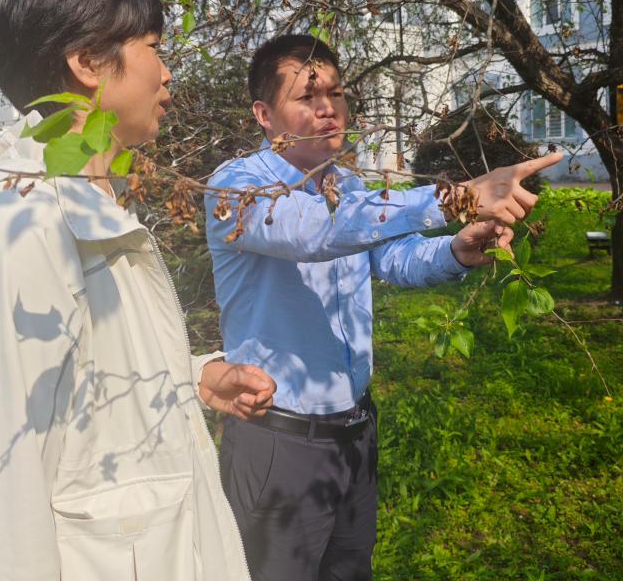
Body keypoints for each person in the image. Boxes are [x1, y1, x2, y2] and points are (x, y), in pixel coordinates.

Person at [0, 0, 275, 580]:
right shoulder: (17, 230)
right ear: (87, 63)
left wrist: (188, 379)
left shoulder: (85, 205)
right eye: (153, 47)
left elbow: (74, 389)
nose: (167, 73)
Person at [204, 34, 562, 581]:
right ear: (264, 115)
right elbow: (312, 232)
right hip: (280, 442)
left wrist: (456, 249)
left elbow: (392, 258)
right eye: (307, 96)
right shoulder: (235, 187)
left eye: (336, 93)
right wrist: (455, 196)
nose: (328, 108)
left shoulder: (348, 185)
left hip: (354, 432)